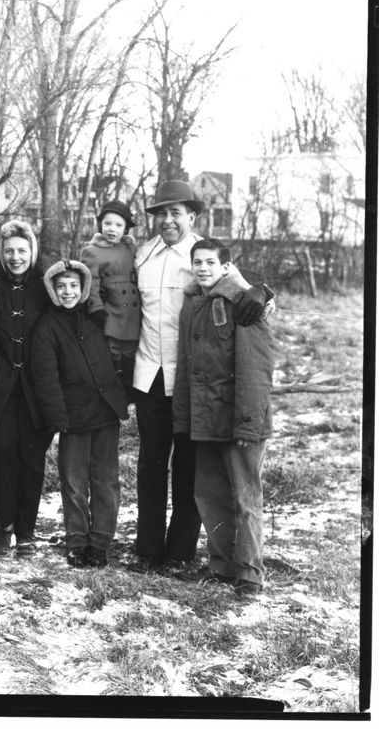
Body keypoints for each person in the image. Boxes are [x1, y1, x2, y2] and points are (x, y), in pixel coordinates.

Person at [128, 179, 272, 573]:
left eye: (176, 213)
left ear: (191, 217)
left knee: (190, 468)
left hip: (193, 382)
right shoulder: (144, 254)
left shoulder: (204, 255)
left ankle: (180, 552)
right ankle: (148, 549)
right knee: (150, 465)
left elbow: (247, 297)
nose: (167, 220)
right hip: (149, 373)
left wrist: (264, 293)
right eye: (161, 213)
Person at [172, 238, 274, 597]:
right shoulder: (193, 302)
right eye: (197, 262)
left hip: (240, 422)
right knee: (210, 494)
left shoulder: (244, 302)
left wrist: (249, 423)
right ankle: (222, 565)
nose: (202, 268)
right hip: (207, 419)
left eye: (210, 262)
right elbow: (187, 365)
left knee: (245, 497)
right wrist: (184, 419)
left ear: (225, 267)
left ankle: (249, 573)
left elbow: (255, 369)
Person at [31, 260, 129, 569]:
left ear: (84, 288)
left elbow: (118, 353)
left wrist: (121, 394)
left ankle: (100, 542)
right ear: (52, 290)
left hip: (104, 412)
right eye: (61, 287)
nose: (68, 292)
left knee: (106, 480)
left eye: (74, 285)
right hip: (73, 418)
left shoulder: (96, 320)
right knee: (73, 482)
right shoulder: (47, 327)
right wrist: (58, 417)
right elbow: (45, 376)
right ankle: (77, 541)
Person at [0, 220, 54, 557]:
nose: (15, 257)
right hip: (3, 388)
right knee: (4, 451)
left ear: (32, 251)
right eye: (9, 251)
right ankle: (5, 524)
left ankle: (26, 531)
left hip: (38, 390)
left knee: (32, 458)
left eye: (22, 250)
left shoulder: (46, 287)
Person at [80, 200, 141, 390]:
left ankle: (130, 390)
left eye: (118, 225)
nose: (112, 229)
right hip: (112, 309)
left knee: (130, 350)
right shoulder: (92, 251)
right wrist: (96, 307)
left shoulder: (131, 249)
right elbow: (91, 282)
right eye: (107, 223)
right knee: (112, 349)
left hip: (133, 310)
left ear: (126, 229)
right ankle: (113, 386)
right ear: (100, 225)